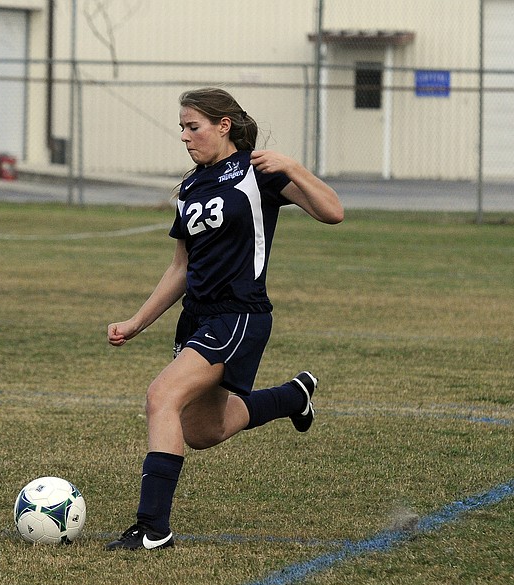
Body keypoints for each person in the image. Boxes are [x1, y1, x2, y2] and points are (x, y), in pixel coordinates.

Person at [105, 87, 344, 550]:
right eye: (182, 128)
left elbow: (333, 212)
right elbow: (181, 267)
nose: (185, 137)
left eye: (193, 127)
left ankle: (153, 528)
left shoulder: (257, 173)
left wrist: (293, 166)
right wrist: (137, 321)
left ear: (223, 126)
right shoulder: (192, 186)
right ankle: (292, 397)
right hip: (196, 317)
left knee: (162, 397)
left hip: (238, 314)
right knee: (202, 431)